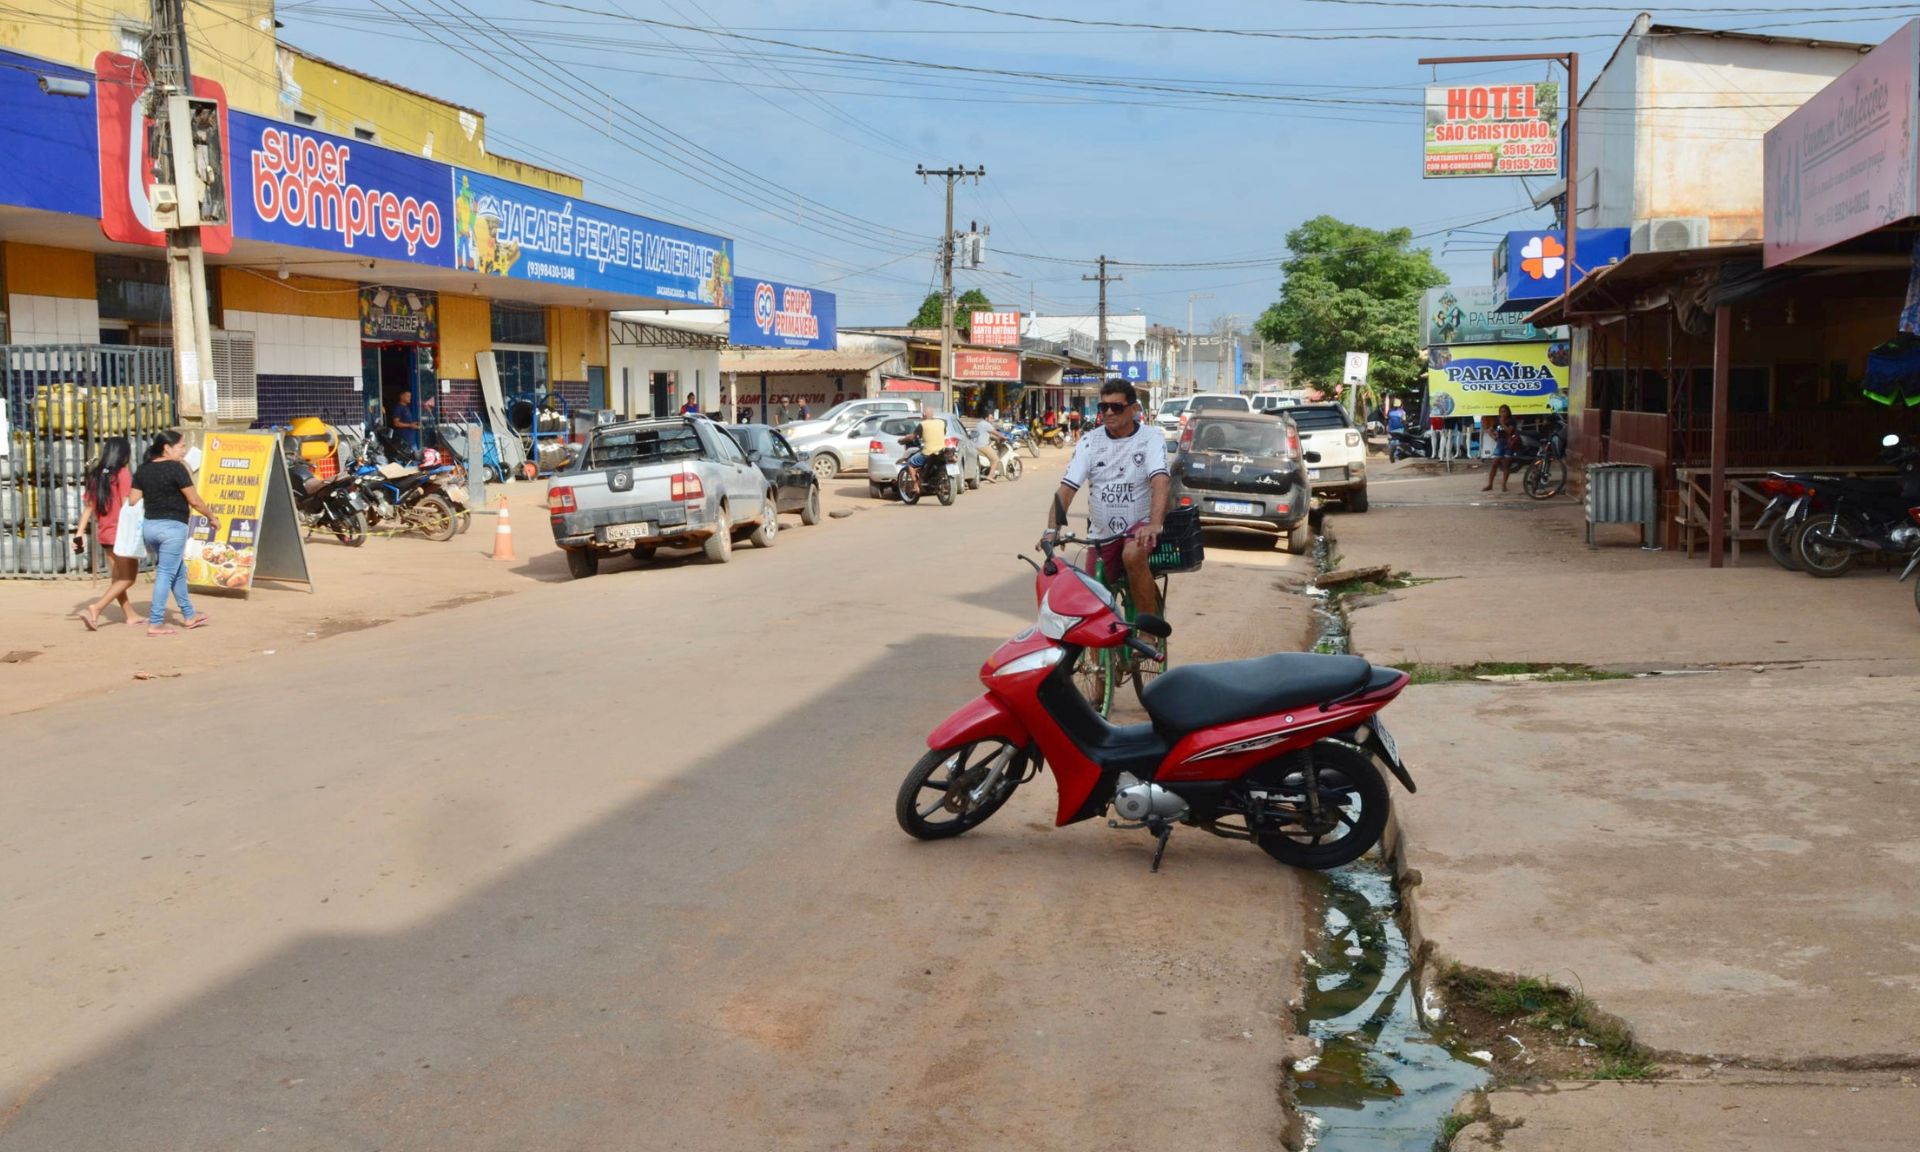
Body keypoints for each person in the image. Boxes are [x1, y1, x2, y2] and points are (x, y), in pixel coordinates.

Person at [1040, 378, 1170, 617]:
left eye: (1116, 407)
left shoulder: (1151, 438)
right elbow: (1067, 489)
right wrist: (1051, 530)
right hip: (1101, 533)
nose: (1109, 412)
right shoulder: (1090, 441)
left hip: (1137, 528)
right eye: (1104, 407)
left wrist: (1154, 524)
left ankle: (1148, 631)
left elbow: (1160, 481)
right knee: (1092, 595)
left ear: (1133, 409)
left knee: (1132, 555)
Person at [131, 430, 217, 637]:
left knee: (177, 570)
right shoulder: (176, 469)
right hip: (172, 528)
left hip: (151, 528)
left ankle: (189, 614)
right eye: (181, 446)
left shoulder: (143, 470)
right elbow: (194, 500)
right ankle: (156, 621)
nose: (184, 450)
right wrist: (212, 517)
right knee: (166, 573)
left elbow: (132, 500)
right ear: (167, 448)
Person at [71, 436, 139, 630]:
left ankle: (130, 615)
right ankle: (96, 607)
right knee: (128, 578)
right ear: (124, 454)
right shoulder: (123, 474)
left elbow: (89, 507)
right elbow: (128, 504)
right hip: (122, 534)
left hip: (105, 535)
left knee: (118, 578)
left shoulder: (96, 475)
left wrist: (79, 533)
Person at [1483, 403, 1518, 492]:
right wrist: (1493, 436)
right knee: (1495, 464)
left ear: (1508, 412)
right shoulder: (1497, 421)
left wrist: (1502, 423)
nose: (1503, 414)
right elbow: (1490, 430)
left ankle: (1504, 485)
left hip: (1509, 444)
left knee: (1506, 465)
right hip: (1500, 444)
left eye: (1504, 411)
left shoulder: (1511, 421)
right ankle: (1490, 484)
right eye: (1501, 412)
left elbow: (1510, 431)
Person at [973, 413, 1007, 482]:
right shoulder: (987, 425)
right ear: (986, 418)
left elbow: (986, 434)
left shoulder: (980, 424)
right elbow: (996, 433)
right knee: (995, 459)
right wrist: (1004, 437)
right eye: (991, 418)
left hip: (975, 445)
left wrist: (996, 438)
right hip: (983, 446)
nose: (992, 420)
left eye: (992, 418)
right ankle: (990, 476)